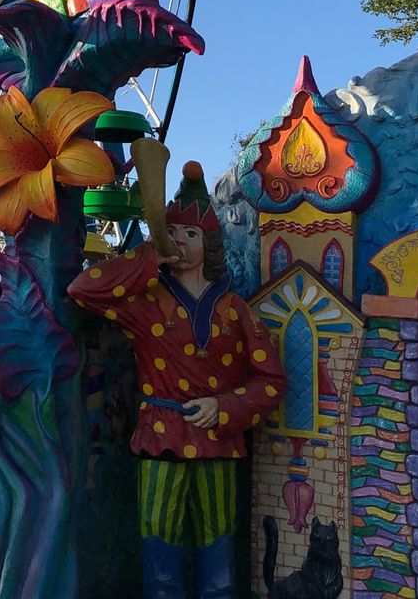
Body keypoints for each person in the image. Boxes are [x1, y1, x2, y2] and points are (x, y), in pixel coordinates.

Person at [68, 162, 286, 599]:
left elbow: (271, 381)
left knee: (219, 558)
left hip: (218, 442)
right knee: (160, 556)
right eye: (173, 232)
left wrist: (225, 407)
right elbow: (83, 288)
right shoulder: (145, 302)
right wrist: (149, 256)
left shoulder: (234, 309)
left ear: (209, 244)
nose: (181, 242)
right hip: (159, 437)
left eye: (190, 234)